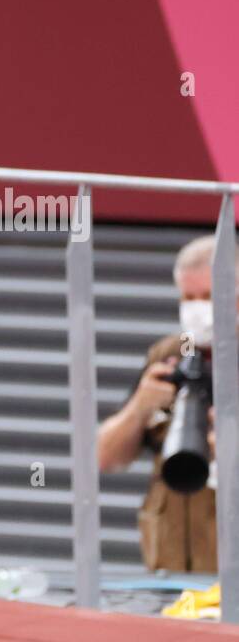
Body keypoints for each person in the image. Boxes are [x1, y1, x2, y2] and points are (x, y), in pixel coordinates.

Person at [96, 234, 236, 574]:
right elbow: (105, 459)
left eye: (208, 296)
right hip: (170, 572)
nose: (197, 308)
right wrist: (140, 407)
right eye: (188, 297)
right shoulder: (170, 355)